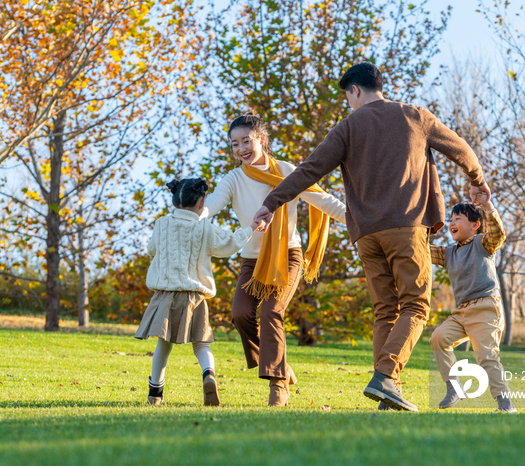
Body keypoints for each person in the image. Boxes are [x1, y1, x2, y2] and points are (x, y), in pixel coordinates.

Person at [253, 62, 491, 412]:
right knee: (415, 305)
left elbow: (309, 169)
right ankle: (386, 378)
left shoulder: (347, 128)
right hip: (407, 227)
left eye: (347, 97)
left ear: (354, 91)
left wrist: (271, 203)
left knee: (386, 310)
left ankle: (386, 392)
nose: (348, 104)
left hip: (366, 234)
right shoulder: (416, 116)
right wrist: (477, 179)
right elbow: (462, 150)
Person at [202, 114, 346, 407]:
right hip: (252, 259)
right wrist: (191, 218)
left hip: (287, 256)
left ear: (261, 140)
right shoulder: (234, 179)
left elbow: (325, 201)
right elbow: (212, 204)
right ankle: (280, 365)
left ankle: (278, 384)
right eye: (234, 144)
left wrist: (361, 221)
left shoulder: (287, 172)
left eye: (246, 141)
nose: (241, 149)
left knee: (271, 312)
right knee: (241, 314)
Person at [134, 177, 260, 406]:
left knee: (163, 343)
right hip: (194, 296)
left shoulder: (161, 224)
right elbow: (229, 245)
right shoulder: (205, 229)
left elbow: (152, 249)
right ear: (202, 202)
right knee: (201, 344)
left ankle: (155, 393)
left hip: (165, 296)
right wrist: (251, 228)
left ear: (174, 200)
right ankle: (208, 374)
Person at [429, 194, 516, 412]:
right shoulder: (449, 253)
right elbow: (423, 251)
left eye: (458, 218)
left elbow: (498, 233)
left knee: (486, 357)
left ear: (475, 225)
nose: (452, 223)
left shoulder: (483, 243)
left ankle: (505, 403)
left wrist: (487, 205)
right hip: (461, 312)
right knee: (439, 338)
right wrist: (415, 231)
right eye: (451, 219)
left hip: (486, 308)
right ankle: (454, 387)